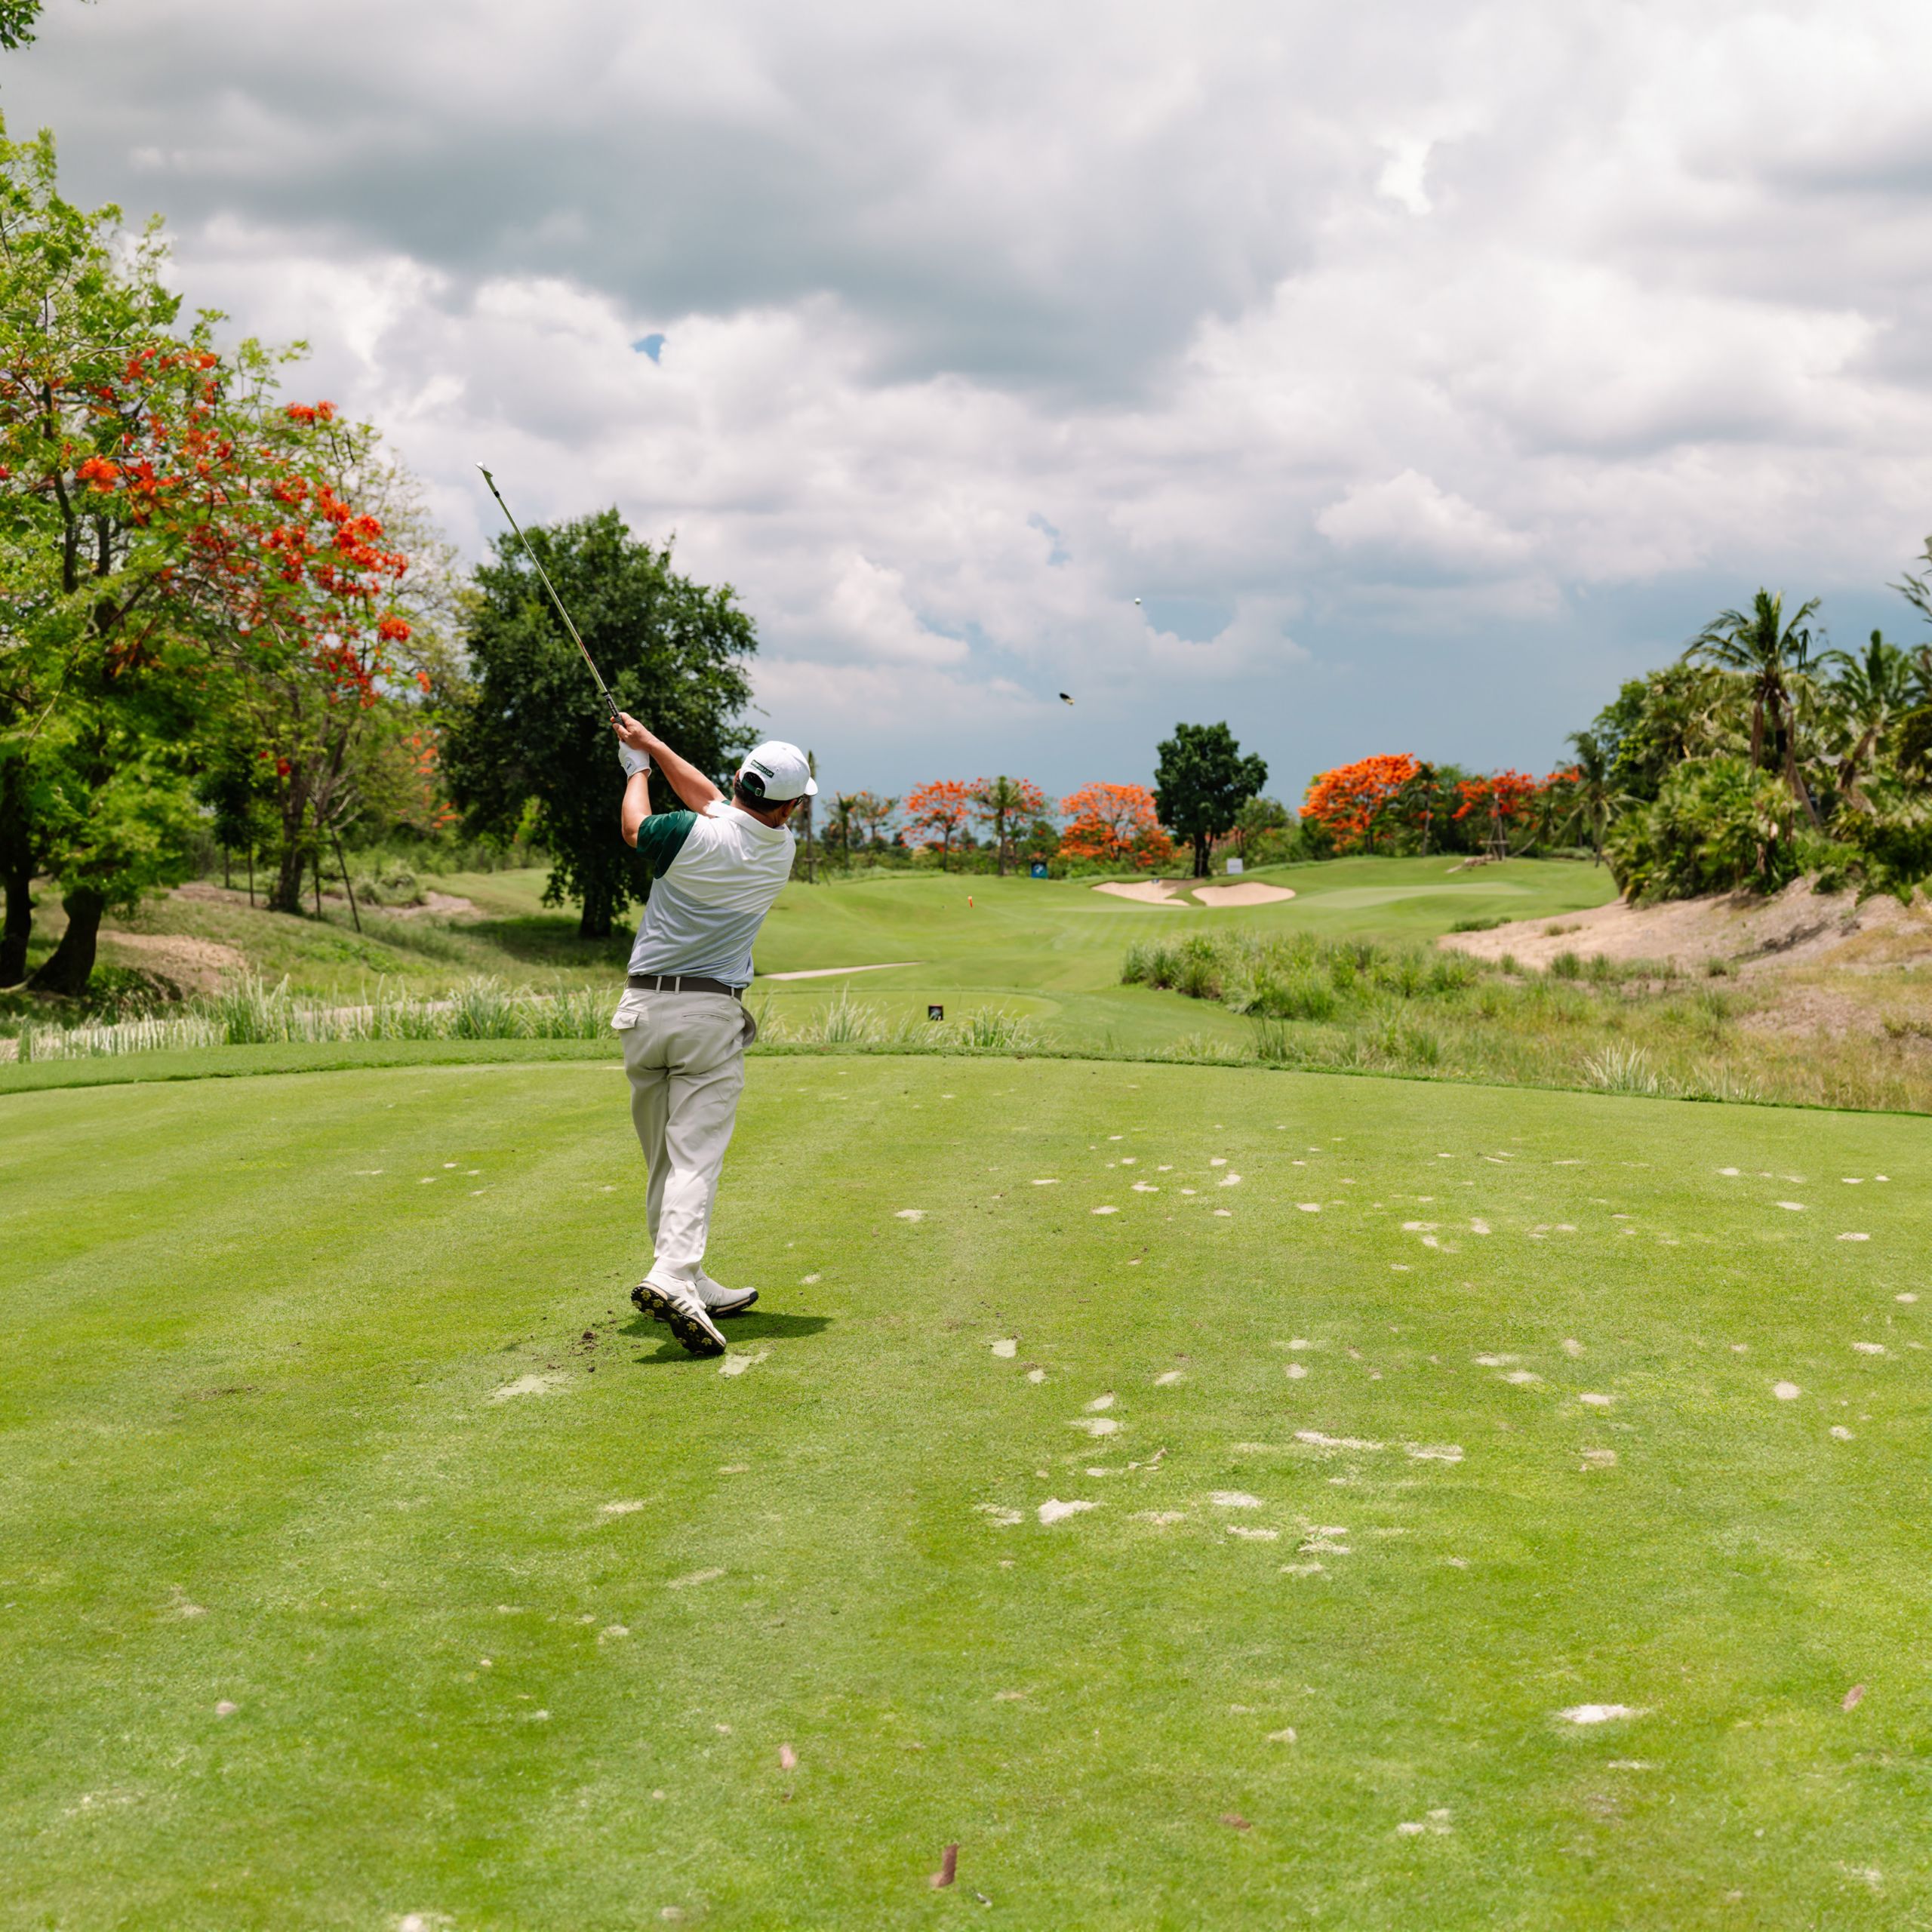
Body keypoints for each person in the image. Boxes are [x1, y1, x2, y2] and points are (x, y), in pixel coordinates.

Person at [609, 712, 815, 1356]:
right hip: (707, 1016)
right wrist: (650, 746)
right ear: (789, 809)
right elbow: (711, 804)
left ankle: (686, 1277)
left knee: (665, 1161)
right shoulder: (778, 850)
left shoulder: (689, 833)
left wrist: (639, 769)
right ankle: (673, 1274)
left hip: (642, 1012)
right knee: (694, 1156)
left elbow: (636, 828)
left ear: (738, 781)